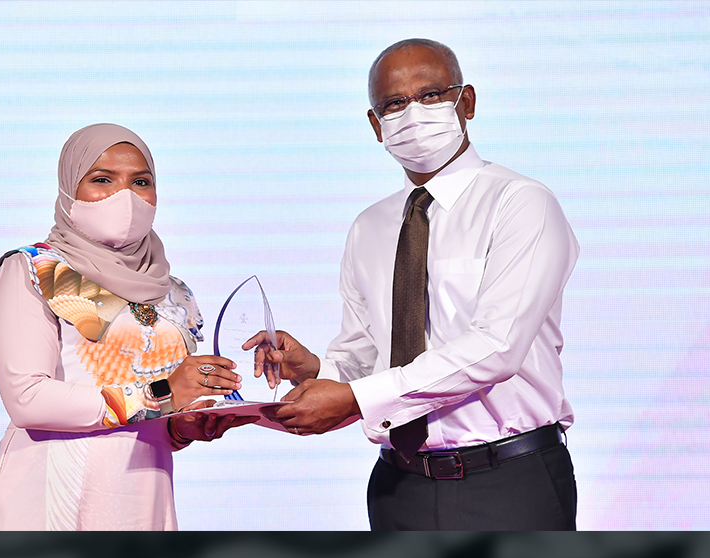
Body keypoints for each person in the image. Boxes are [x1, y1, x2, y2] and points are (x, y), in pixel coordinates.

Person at [247, 39, 580, 530]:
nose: (413, 114)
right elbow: (369, 354)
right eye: (394, 104)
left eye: (430, 95)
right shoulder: (369, 227)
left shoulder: (520, 203)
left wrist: (355, 399)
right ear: (375, 125)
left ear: (466, 101)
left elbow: (497, 347)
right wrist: (316, 369)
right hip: (399, 488)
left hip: (509, 482)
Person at [0, 123, 248, 531]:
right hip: (49, 496)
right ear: (69, 188)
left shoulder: (172, 293)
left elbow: (153, 413)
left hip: (140, 498)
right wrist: (163, 394)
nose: (126, 196)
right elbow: (27, 399)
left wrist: (183, 425)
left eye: (141, 182)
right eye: (102, 179)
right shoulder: (40, 269)